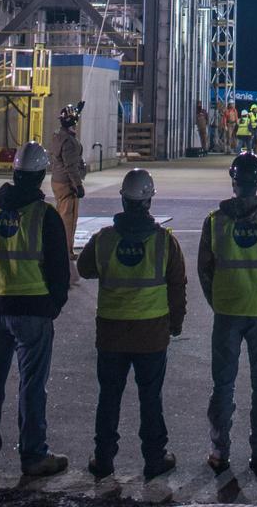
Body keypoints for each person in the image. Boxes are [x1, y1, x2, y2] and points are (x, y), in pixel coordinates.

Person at [0, 140, 71, 488]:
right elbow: (60, 274)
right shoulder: (45, 216)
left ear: (14, 172)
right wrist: (52, 306)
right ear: (41, 176)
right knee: (31, 387)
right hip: (33, 311)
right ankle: (34, 456)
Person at [78, 168, 186, 493]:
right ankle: (154, 458)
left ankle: (103, 458)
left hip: (111, 334)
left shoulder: (105, 238)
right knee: (150, 398)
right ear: (150, 200)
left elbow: (84, 269)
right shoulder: (165, 242)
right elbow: (177, 287)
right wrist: (176, 324)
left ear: (123, 199)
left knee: (109, 397)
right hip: (151, 334)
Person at [199, 149, 257, 477]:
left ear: (233, 181)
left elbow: (204, 270)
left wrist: (220, 300)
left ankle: (219, 451)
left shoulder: (215, 221)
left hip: (226, 311)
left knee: (222, 384)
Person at [49, 103, 87, 274]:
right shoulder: (70, 142)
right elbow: (71, 166)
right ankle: (66, 251)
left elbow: (70, 117)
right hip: (67, 183)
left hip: (57, 181)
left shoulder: (59, 136)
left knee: (61, 215)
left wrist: (77, 110)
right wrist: (78, 185)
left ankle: (64, 249)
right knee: (68, 219)